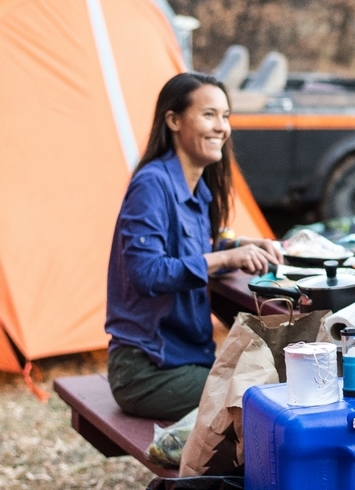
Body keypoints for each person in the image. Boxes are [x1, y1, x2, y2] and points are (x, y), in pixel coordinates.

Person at [105, 72, 283, 421]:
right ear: (173, 120)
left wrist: (238, 245)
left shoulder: (197, 191)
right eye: (209, 115)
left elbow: (187, 248)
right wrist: (226, 256)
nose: (222, 127)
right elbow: (147, 272)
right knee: (265, 402)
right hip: (147, 370)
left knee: (271, 384)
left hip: (184, 358)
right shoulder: (153, 185)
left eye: (226, 116)